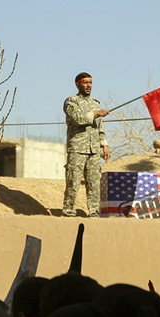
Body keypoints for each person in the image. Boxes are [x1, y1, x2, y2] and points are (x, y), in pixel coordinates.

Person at [63, 72, 109, 218]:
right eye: (85, 83)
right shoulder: (71, 102)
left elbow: (99, 127)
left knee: (94, 182)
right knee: (73, 181)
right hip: (77, 148)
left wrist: (104, 145)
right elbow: (78, 118)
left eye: (90, 82)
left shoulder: (95, 103)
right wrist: (95, 113)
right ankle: (69, 211)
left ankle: (94, 212)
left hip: (94, 150)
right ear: (78, 84)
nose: (89, 85)